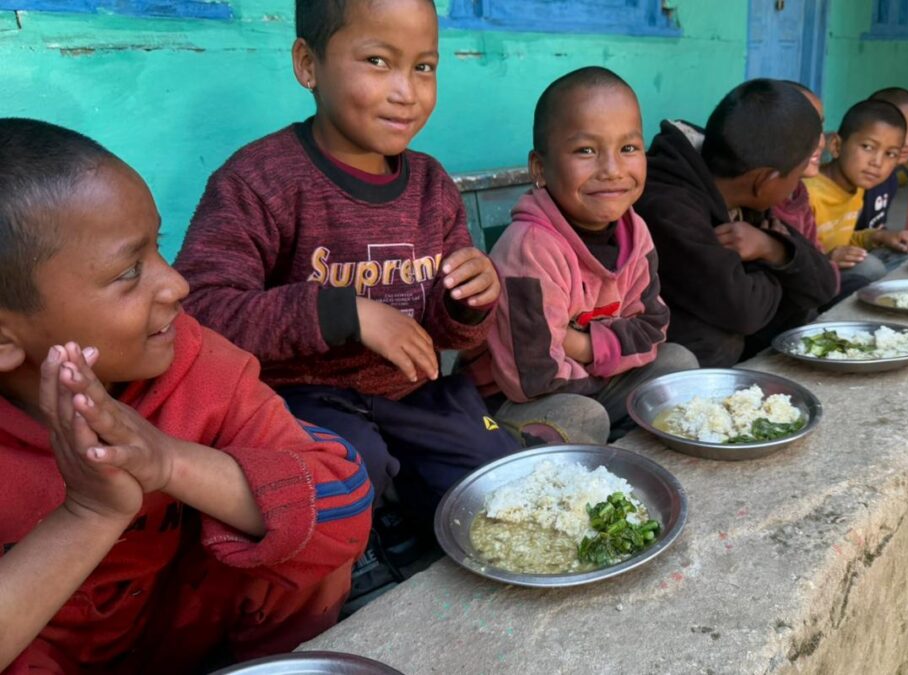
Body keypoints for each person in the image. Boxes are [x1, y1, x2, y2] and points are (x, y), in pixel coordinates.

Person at [173, 0, 519, 608]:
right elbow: (200, 312)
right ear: (308, 64)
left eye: (424, 67)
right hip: (301, 398)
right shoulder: (260, 179)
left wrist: (468, 301)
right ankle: (364, 542)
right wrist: (344, 313)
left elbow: (451, 338)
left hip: (408, 392)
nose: (405, 92)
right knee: (347, 465)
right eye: (378, 61)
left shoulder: (431, 184)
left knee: (492, 474)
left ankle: (394, 513)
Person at [0, 118, 370, 674]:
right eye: (129, 272)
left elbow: (344, 505)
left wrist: (168, 461)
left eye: (159, 248)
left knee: (297, 528)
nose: (177, 284)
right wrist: (89, 514)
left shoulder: (192, 362)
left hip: (188, 631)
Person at [465, 67, 698, 444]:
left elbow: (653, 328)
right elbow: (533, 377)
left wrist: (582, 344)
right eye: (586, 150)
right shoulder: (530, 249)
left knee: (678, 365)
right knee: (583, 418)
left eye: (628, 148)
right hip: (508, 405)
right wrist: (611, 356)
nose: (612, 169)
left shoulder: (635, 232)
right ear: (540, 168)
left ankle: (614, 444)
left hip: (590, 379)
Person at [635, 79, 836, 367]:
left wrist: (774, 249)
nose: (795, 186)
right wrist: (780, 275)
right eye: (797, 173)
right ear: (765, 180)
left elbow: (824, 285)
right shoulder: (668, 205)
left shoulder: (744, 188)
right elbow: (744, 311)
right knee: (715, 339)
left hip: (729, 312)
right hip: (664, 346)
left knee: (802, 305)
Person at [805, 99, 908, 300]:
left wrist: (878, 237)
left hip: (836, 267)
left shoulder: (856, 188)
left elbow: (844, 240)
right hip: (814, 278)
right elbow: (795, 261)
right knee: (871, 268)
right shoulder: (810, 194)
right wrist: (827, 259)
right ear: (837, 146)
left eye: (890, 154)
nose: (877, 162)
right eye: (867, 147)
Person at [771, 81, 839, 294]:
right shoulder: (762, 199)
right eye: (804, 129)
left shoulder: (798, 193)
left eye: (819, 127)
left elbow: (825, 270)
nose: (819, 141)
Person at [853, 87, 908, 261]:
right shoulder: (860, 176)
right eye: (900, 130)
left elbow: (876, 227)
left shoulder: (890, 177)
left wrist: (890, 236)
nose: (907, 142)